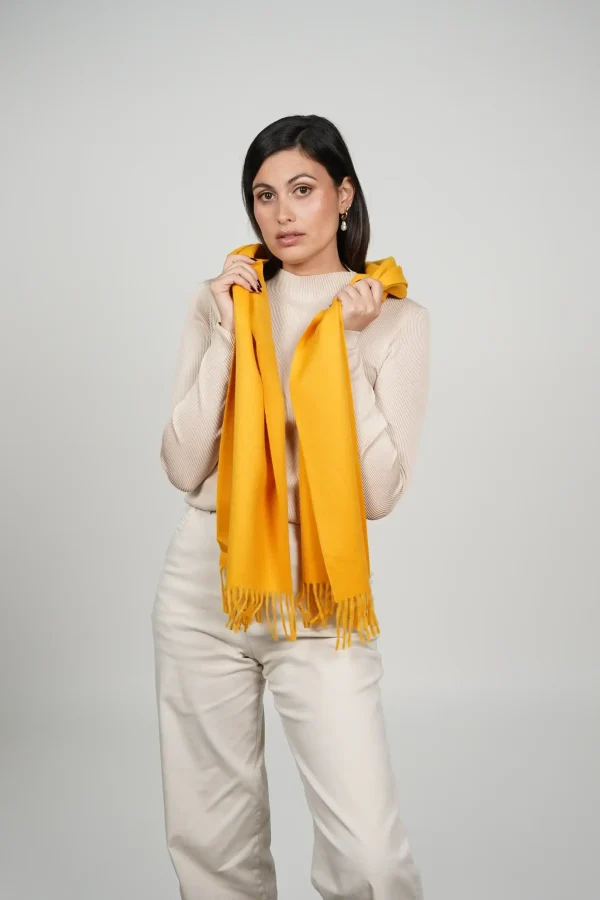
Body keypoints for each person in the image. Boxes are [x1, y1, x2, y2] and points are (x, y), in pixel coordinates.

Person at [151, 113, 431, 900]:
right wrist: (225, 337)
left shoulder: (397, 319)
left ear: (344, 195)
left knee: (370, 861)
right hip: (206, 586)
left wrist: (343, 347)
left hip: (318, 596)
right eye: (264, 195)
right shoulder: (223, 302)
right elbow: (182, 463)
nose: (281, 213)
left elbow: (378, 494)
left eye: (302, 190)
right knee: (214, 848)